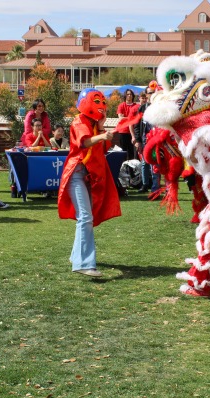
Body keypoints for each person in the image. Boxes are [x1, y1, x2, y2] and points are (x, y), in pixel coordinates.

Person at [57, 89, 121, 277]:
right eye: (97, 101)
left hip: (88, 175)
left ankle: (77, 256)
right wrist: (101, 135)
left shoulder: (93, 123)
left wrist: (101, 128)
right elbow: (84, 143)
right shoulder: (79, 121)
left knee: (85, 217)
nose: (101, 105)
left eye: (102, 101)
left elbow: (102, 148)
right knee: (85, 217)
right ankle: (83, 264)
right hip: (76, 173)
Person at [134, 87, 159, 193]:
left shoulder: (158, 107)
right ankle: (145, 184)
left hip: (156, 139)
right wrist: (137, 140)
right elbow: (136, 124)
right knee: (144, 163)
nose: (152, 94)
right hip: (144, 140)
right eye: (150, 93)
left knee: (155, 163)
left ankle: (155, 187)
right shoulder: (142, 108)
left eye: (154, 92)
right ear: (146, 95)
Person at [116, 89, 140, 160]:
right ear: (125, 96)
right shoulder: (121, 106)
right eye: (127, 94)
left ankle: (132, 170)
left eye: (131, 94)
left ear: (133, 96)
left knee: (132, 152)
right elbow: (120, 118)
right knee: (123, 151)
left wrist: (125, 117)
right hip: (123, 131)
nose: (129, 96)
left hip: (133, 132)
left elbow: (138, 117)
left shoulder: (136, 106)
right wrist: (132, 118)